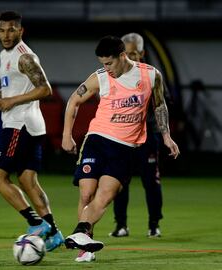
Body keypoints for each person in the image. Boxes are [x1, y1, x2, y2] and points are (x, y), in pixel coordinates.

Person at [62, 36, 179, 260]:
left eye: (109, 63)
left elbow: (159, 104)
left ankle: (80, 233)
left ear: (122, 56)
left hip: (126, 148)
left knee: (105, 196)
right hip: (97, 140)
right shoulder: (100, 78)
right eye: (102, 64)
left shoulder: (151, 75)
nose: (106, 69)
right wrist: (67, 135)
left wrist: (167, 136)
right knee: (86, 193)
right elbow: (73, 101)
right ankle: (84, 248)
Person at [0, 11, 63, 251]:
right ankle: (54, 233)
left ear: (20, 31)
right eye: (2, 30)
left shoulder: (25, 57)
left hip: (19, 124)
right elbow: (13, 87)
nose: (6, 34)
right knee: (27, 180)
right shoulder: (6, 54)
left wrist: (12, 103)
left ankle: (36, 223)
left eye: (12, 29)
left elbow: (45, 90)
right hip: (31, 124)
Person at [109, 33, 165, 239]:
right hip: (122, 137)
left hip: (148, 136)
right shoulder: (115, 75)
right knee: (119, 181)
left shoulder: (151, 75)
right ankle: (121, 225)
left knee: (151, 181)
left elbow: (161, 104)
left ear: (142, 53)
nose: (129, 57)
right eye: (125, 53)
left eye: (133, 53)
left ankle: (154, 224)